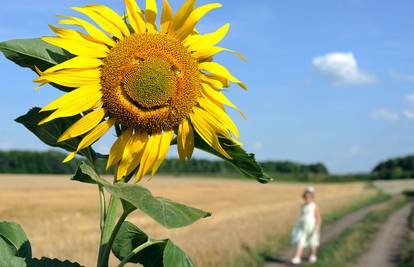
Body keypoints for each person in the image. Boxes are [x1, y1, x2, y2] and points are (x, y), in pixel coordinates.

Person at [290, 187, 321, 265]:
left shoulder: (315, 206)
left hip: (312, 226)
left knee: (313, 241)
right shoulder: (303, 206)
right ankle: (297, 257)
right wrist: (298, 224)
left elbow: (318, 217)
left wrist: (317, 227)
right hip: (303, 227)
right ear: (304, 198)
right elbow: (302, 215)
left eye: (309, 198)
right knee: (301, 241)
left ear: (312, 198)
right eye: (306, 197)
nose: (307, 199)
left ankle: (312, 255)